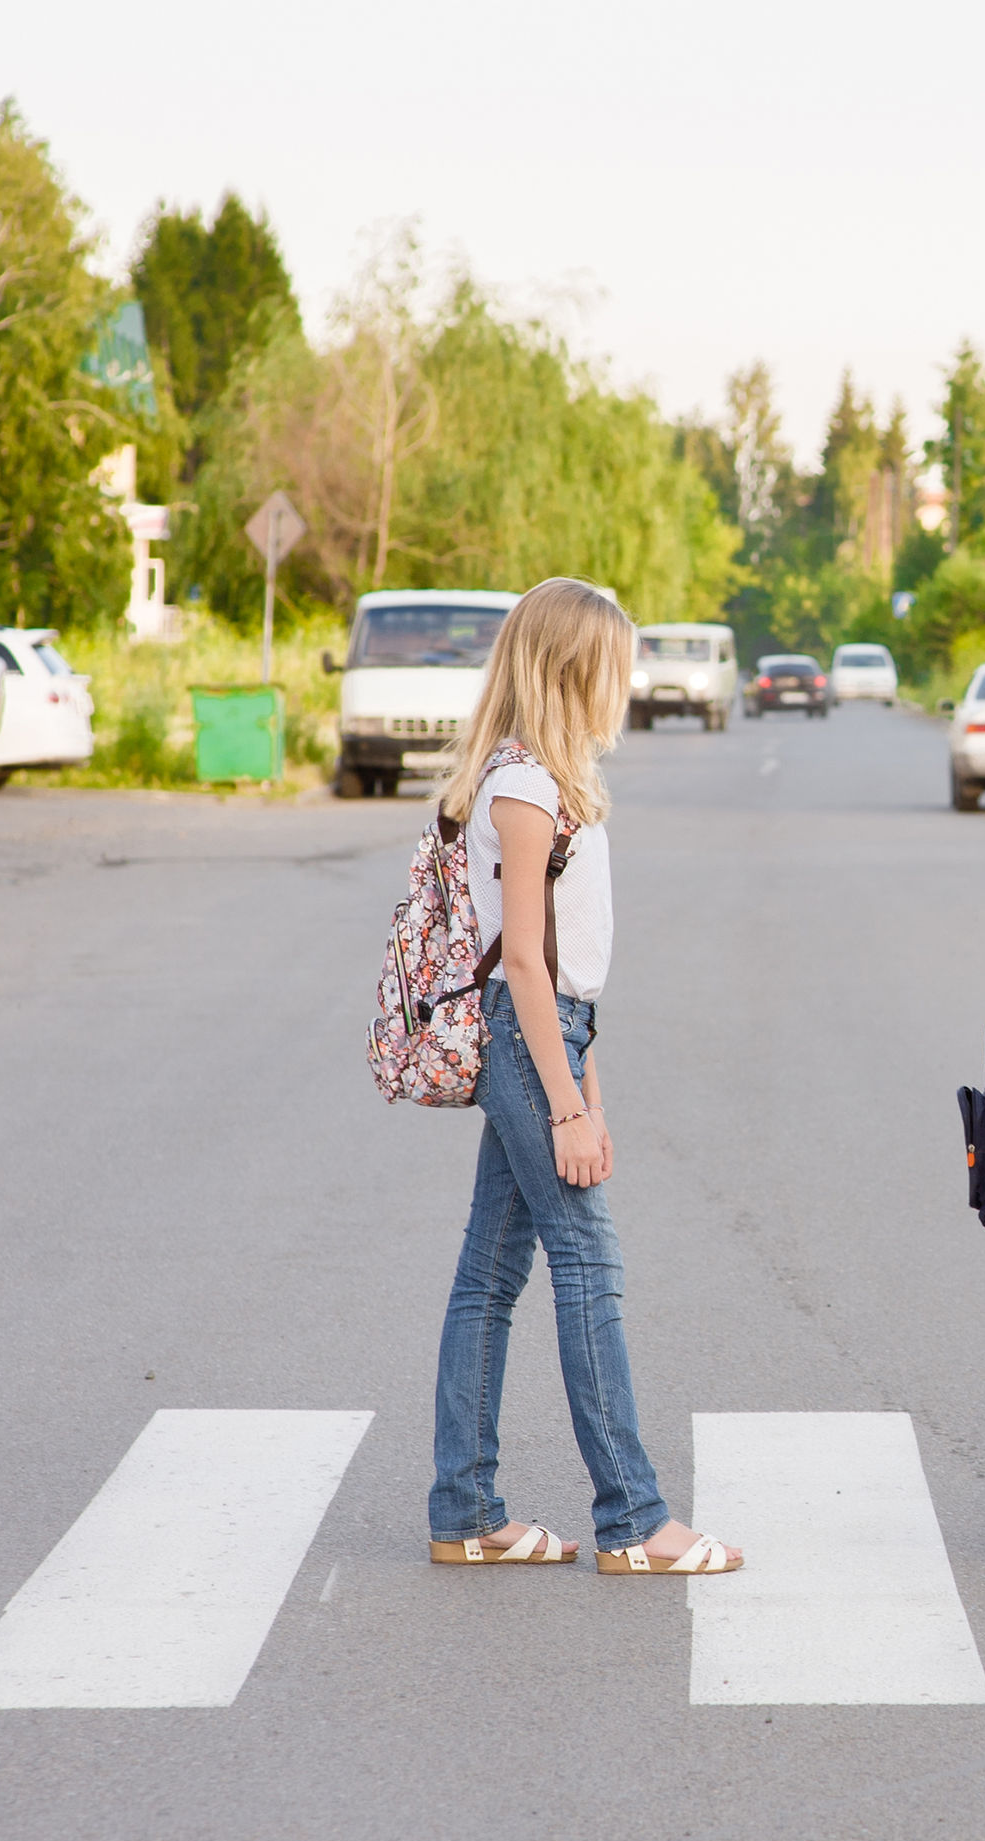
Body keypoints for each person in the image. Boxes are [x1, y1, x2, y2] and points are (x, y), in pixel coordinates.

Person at [425, 577, 741, 1577]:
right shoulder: (524, 789)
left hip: (552, 1034)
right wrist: (566, 1103)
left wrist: (587, 1085)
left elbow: (563, 967)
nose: (630, 680)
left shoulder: (545, 780)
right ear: (574, 670)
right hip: (529, 1040)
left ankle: (467, 1510)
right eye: (618, 663)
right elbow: (523, 961)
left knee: (490, 1272)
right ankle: (635, 1520)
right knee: (588, 1266)